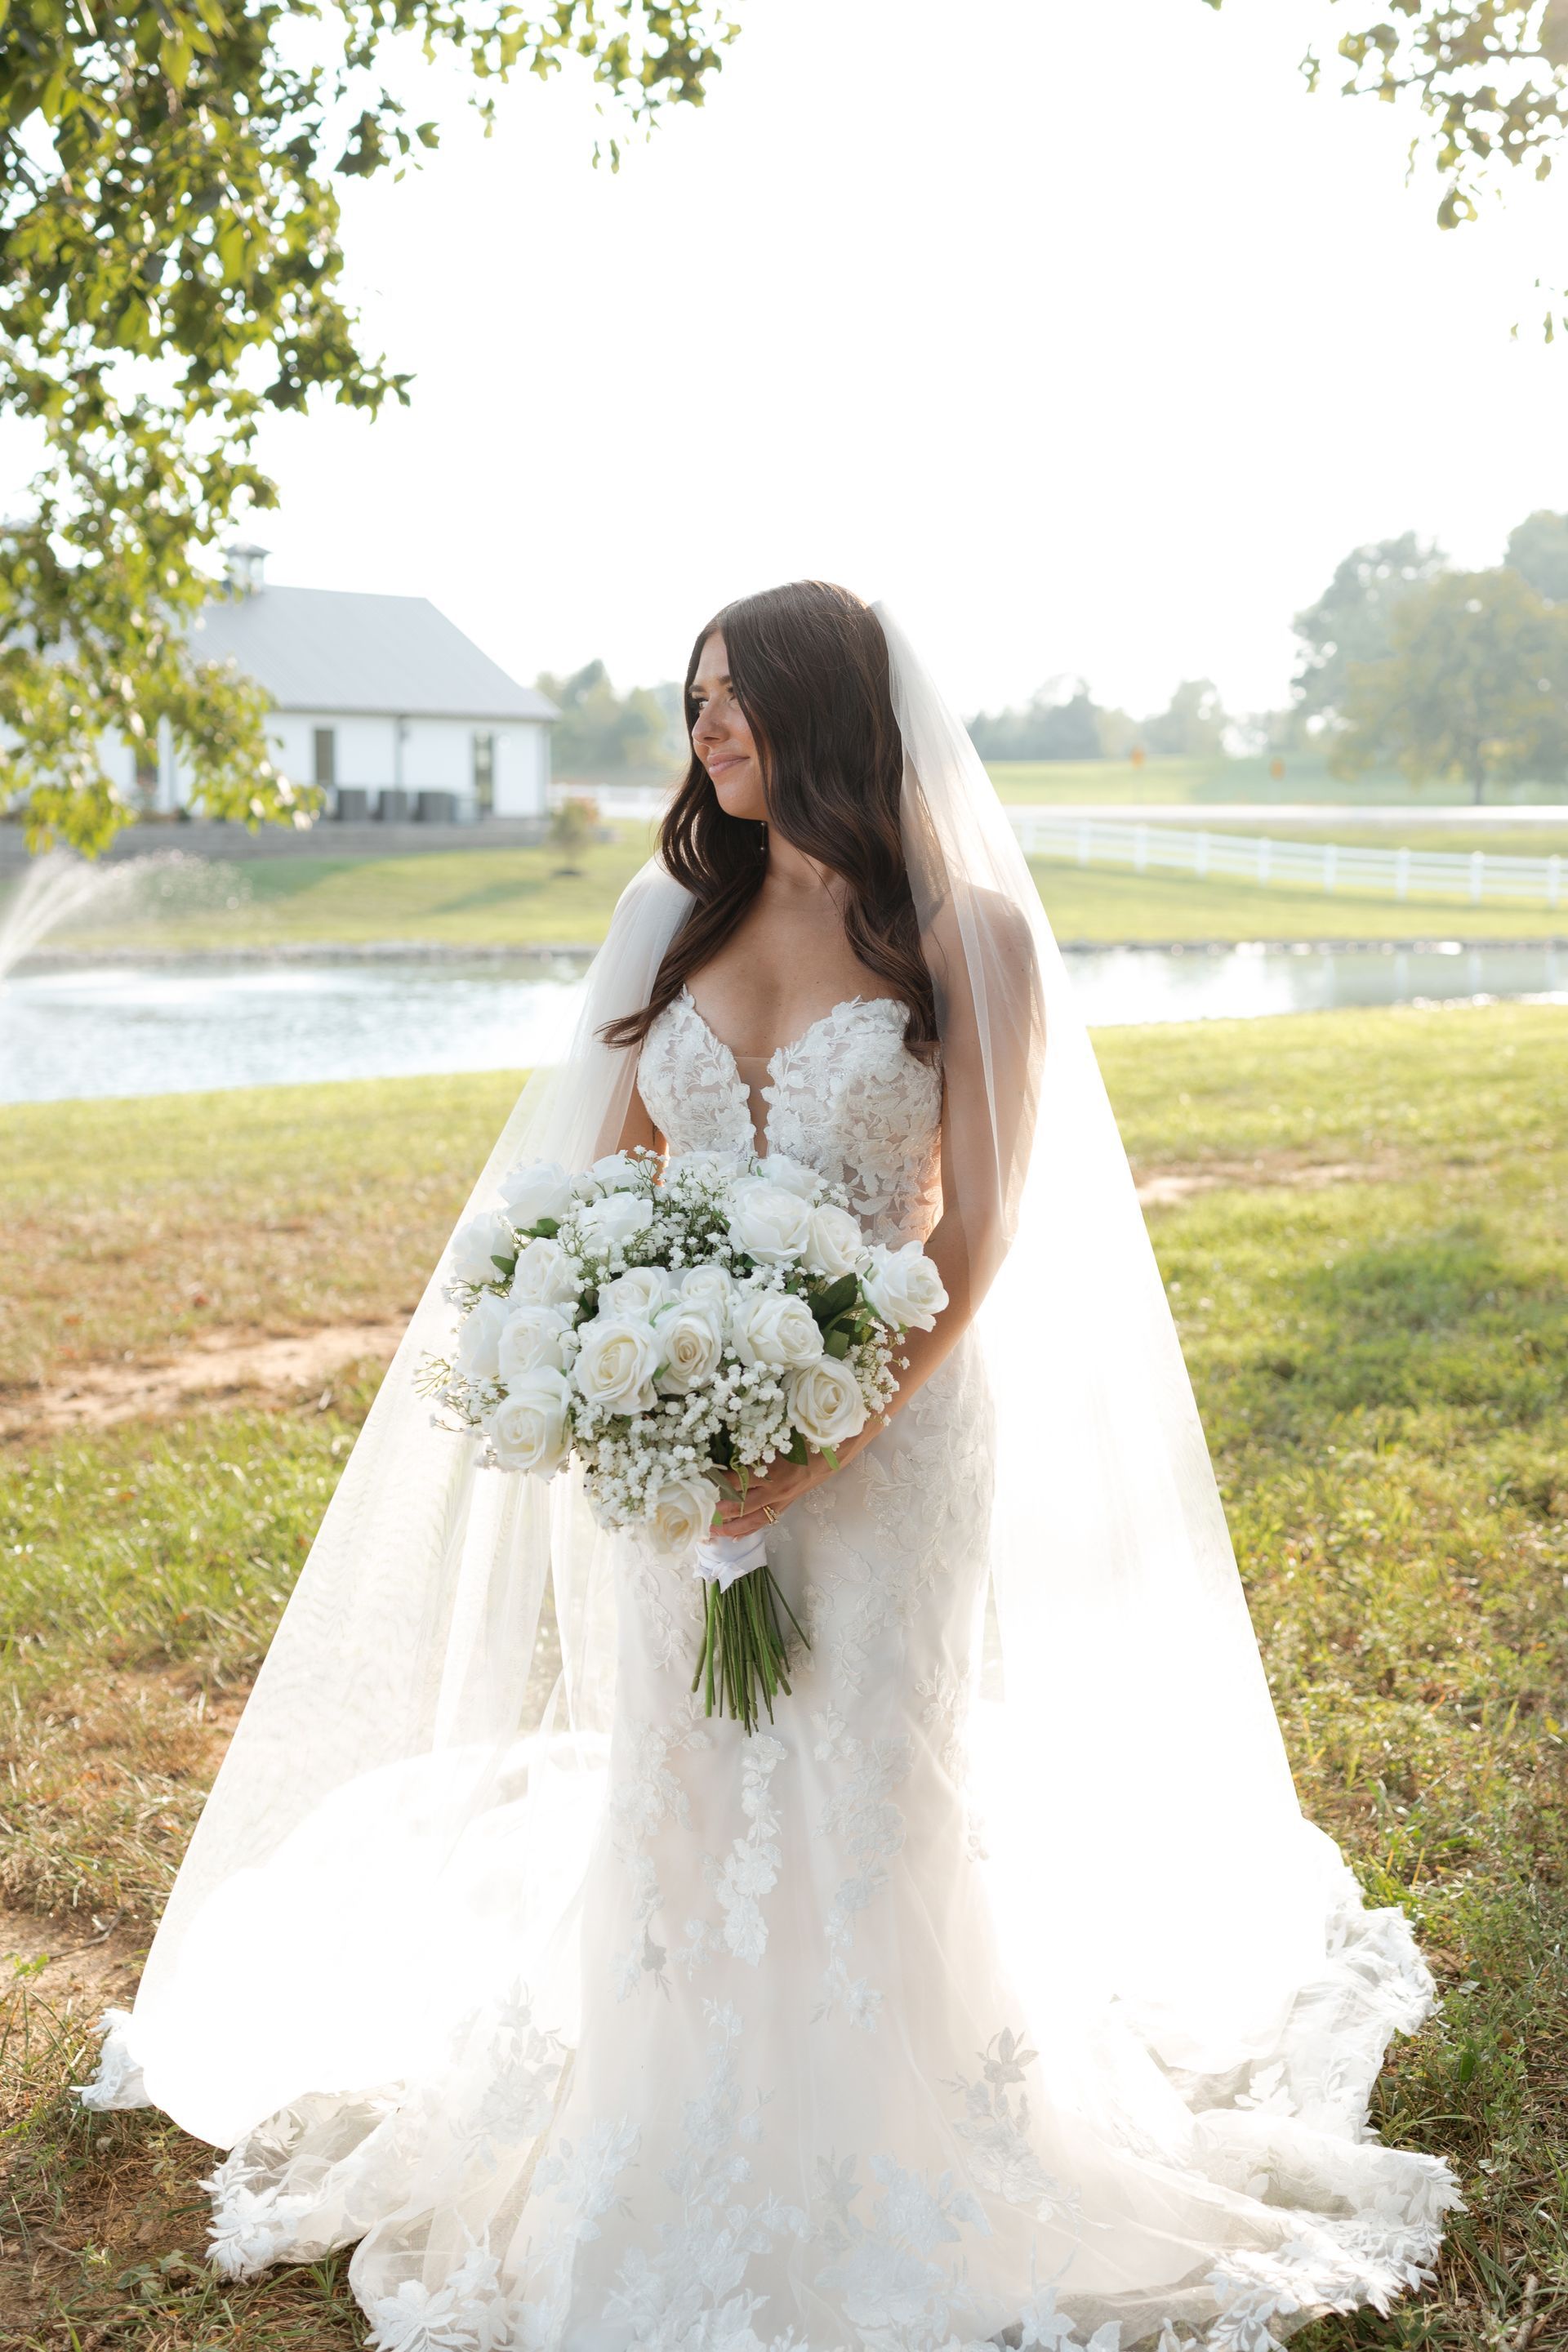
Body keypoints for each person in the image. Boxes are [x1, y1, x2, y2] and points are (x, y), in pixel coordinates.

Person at [83, 583, 1457, 2352]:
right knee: (689, 1780)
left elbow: (985, 1237)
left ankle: (894, 2139)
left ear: (824, 713)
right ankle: (666, 2125)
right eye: (695, 703)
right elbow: (594, 1188)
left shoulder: (969, 939)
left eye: (734, 702)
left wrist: (827, 1440)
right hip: (681, 1440)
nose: (705, 734)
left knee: (867, 1776)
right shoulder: (674, 908)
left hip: (889, 1435)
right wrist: (610, 1359)